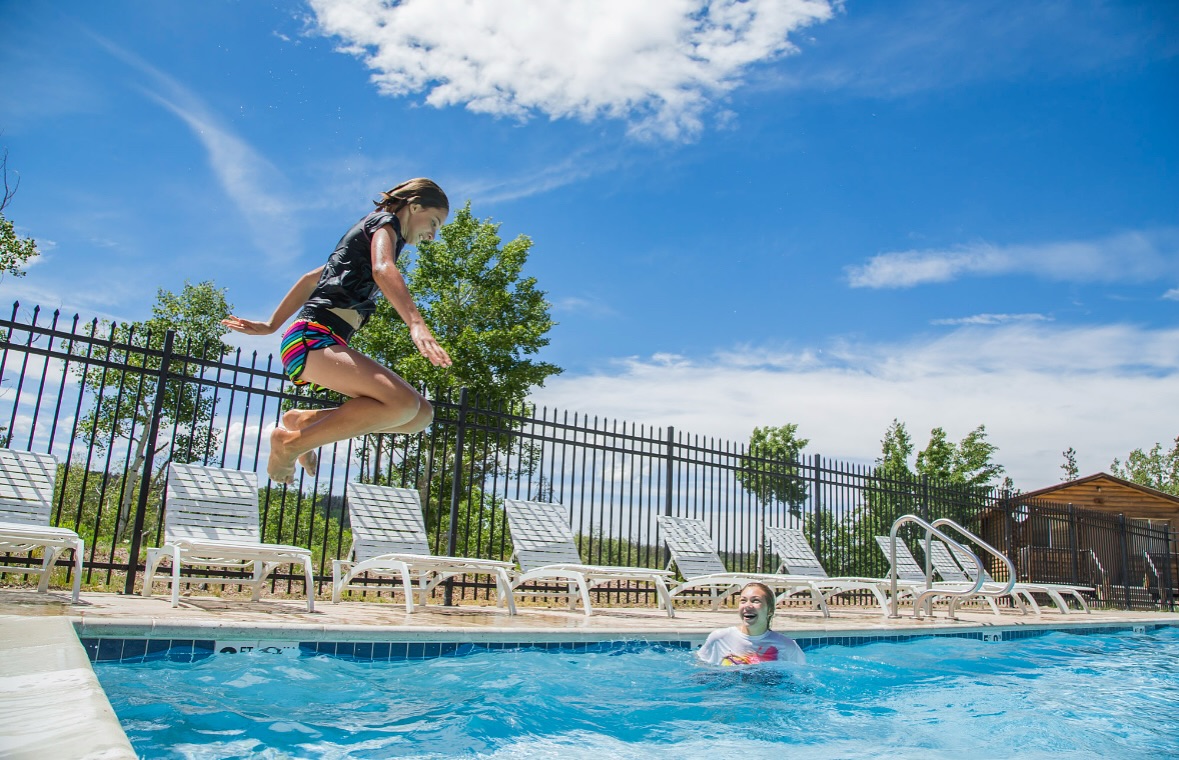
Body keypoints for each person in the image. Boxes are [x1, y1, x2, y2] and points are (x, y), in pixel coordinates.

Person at [221, 178, 452, 485]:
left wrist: (270, 325)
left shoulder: (362, 242)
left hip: (321, 340)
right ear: (415, 206)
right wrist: (416, 324)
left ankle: (301, 422)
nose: (433, 235)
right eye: (434, 222)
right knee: (403, 404)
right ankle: (289, 445)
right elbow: (383, 270)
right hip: (312, 338)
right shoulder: (385, 223)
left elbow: (310, 279)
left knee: (419, 415)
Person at [696, 582, 805, 667]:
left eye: (755, 601)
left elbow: (802, 681)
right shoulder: (719, 639)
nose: (747, 606)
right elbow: (701, 672)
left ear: (770, 610)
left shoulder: (787, 646)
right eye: (743, 601)